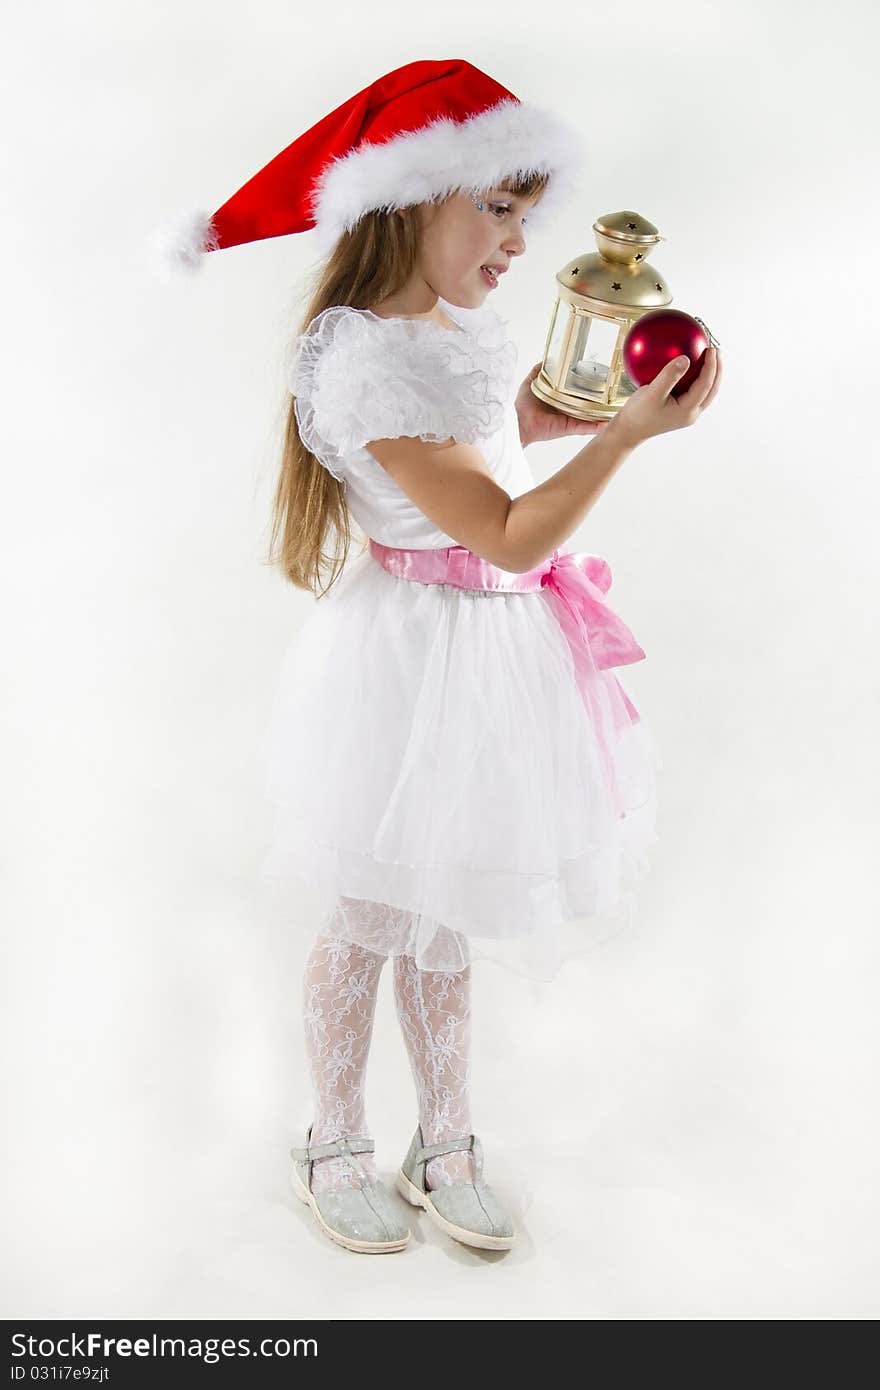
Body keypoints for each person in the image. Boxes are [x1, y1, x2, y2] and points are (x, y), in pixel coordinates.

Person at [157, 58, 722, 1257]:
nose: (520, 239)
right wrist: (623, 438)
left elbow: (469, 461)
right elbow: (506, 528)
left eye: (525, 211)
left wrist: (531, 422)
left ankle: (449, 1133)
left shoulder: (443, 330)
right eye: (498, 207)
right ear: (414, 200)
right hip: (413, 659)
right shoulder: (366, 359)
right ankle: (333, 1135)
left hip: (489, 652)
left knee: (443, 904)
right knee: (371, 908)